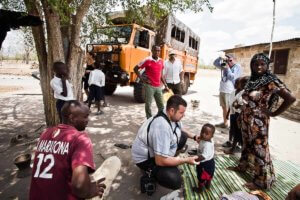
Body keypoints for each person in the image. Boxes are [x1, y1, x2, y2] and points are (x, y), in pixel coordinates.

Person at [228, 53, 296, 190]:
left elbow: (291, 98)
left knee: (260, 150)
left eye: (262, 64)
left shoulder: (271, 81)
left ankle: (262, 181)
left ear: (267, 65)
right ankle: (243, 166)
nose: (258, 67)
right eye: (255, 64)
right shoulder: (252, 80)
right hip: (246, 120)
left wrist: (273, 113)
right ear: (251, 65)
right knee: (247, 145)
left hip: (259, 123)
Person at [29, 100, 106, 199]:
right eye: (85, 116)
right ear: (72, 118)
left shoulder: (45, 133)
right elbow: (79, 186)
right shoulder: (80, 139)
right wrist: (88, 191)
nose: (88, 120)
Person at [131, 95, 200, 191]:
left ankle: (169, 160)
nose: (183, 115)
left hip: (156, 152)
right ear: (172, 111)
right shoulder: (161, 127)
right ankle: (150, 172)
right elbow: (160, 161)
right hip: (145, 159)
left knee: (183, 136)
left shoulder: (168, 114)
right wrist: (184, 160)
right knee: (175, 180)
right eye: (181, 113)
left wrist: (194, 137)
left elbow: (180, 128)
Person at [134, 45, 169, 119]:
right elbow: (135, 69)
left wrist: (165, 85)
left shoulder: (161, 61)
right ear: (152, 51)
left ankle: (160, 118)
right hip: (149, 86)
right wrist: (142, 79)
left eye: (159, 50)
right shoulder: (147, 60)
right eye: (156, 50)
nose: (157, 52)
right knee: (148, 105)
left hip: (158, 86)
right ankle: (149, 119)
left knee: (161, 105)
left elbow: (161, 75)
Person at [213, 53, 242, 132]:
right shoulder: (225, 64)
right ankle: (225, 123)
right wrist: (220, 58)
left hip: (230, 91)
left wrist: (227, 68)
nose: (228, 62)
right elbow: (215, 63)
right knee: (224, 108)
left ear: (235, 60)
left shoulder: (237, 67)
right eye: (227, 60)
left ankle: (232, 126)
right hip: (223, 89)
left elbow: (232, 77)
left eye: (230, 60)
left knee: (231, 109)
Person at [224, 76, 249, 154]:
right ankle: (233, 145)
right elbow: (232, 104)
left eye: (238, 83)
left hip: (239, 115)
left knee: (238, 132)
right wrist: (228, 113)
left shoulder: (245, 93)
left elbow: (242, 105)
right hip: (234, 114)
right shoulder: (234, 92)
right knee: (233, 130)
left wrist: (237, 105)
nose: (236, 84)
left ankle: (234, 148)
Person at [193, 123, 215, 193]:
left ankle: (200, 190)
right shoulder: (206, 139)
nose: (203, 134)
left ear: (211, 136)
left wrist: (195, 159)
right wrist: (200, 138)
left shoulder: (207, 145)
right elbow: (202, 138)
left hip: (204, 164)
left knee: (201, 178)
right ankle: (208, 186)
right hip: (210, 162)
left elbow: (203, 157)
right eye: (202, 132)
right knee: (209, 177)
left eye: (206, 133)